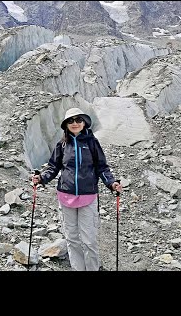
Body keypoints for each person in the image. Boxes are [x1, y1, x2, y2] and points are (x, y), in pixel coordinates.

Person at [32, 107, 122, 271]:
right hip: (65, 196)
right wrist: (42, 178)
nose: (75, 123)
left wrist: (111, 183)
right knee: (72, 239)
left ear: (84, 123)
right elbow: (53, 167)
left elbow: (102, 167)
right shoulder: (62, 145)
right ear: (66, 124)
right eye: (71, 121)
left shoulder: (92, 142)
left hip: (88, 196)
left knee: (89, 240)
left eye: (78, 120)